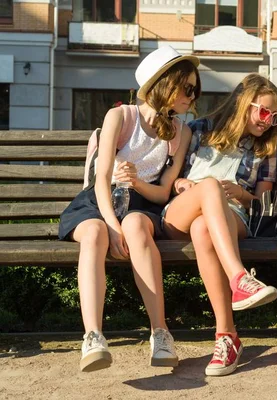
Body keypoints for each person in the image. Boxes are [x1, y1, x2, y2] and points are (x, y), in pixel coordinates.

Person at [58, 45, 199, 372]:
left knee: (136, 225)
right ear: (162, 83)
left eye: (195, 90)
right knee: (94, 233)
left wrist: (136, 184)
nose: (192, 96)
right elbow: (101, 177)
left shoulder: (181, 132)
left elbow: (163, 193)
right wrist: (111, 225)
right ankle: (92, 337)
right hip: (101, 202)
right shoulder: (121, 117)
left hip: (141, 204)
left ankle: (160, 333)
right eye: (186, 88)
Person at [161, 73, 277, 376]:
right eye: (265, 112)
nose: (269, 121)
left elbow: (262, 202)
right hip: (181, 212)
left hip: (232, 216)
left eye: (276, 115)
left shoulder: (265, 147)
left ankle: (226, 337)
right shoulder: (198, 129)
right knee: (210, 187)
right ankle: (240, 279)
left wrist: (242, 193)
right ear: (244, 103)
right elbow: (170, 176)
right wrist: (181, 184)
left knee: (204, 227)